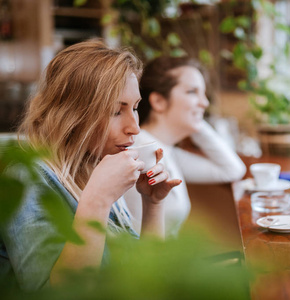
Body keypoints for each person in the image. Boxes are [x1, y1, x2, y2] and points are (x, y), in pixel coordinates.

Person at [0, 40, 181, 291]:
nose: (135, 127)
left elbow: (147, 280)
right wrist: (98, 199)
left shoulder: (93, 165)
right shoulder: (28, 179)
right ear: (72, 114)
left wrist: (153, 204)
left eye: (136, 108)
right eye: (116, 112)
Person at [124, 56, 246, 236]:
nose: (204, 102)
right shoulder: (142, 151)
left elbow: (232, 169)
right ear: (158, 101)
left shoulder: (167, 151)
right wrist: (194, 120)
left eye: (203, 94)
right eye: (192, 92)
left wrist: (196, 123)